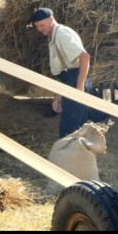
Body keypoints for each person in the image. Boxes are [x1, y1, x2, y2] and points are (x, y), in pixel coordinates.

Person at [28, 8, 93, 138]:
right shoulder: (54, 35)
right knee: (71, 128)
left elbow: (85, 57)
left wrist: (79, 88)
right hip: (69, 80)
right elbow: (62, 68)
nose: (39, 29)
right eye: (37, 26)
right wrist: (58, 96)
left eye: (42, 25)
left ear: (51, 20)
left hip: (76, 80)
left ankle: (73, 157)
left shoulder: (62, 35)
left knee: (71, 131)